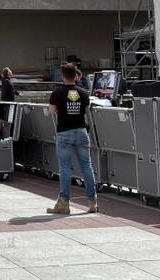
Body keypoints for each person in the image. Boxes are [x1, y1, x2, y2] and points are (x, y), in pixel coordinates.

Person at [46, 62, 98, 215]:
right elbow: (86, 110)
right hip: (82, 132)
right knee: (87, 167)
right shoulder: (83, 92)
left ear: (63, 76)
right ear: (75, 76)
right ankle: (92, 202)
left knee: (65, 168)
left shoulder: (57, 93)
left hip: (64, 133)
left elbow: (52, 111)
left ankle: (64, 204)